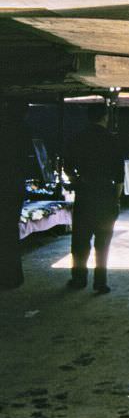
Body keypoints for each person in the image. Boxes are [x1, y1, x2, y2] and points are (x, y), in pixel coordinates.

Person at [64, 103, 124, 294]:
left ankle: (79, 279)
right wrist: (116, 199)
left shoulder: (78, 138)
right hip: (106, 195)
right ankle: (100, 283)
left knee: (80, 241)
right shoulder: (112, 140)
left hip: (85, 194)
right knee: (103, 242)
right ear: (105, 117)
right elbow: (120, 175)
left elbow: (67, 167)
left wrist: (79, 181)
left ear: (89, 117)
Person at [0, 101, 33, 289]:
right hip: (13, 186)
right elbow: (27, 157)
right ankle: (12, 277)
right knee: (10, 231)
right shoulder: (22, 130)